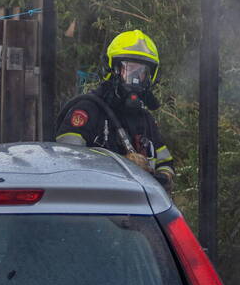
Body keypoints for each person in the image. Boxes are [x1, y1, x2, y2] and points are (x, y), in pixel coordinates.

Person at [54, 30, 175, 190]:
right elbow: (67, 160)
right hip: (96, 200)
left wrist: (164, 178)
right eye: (129, 69)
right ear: (113, 69)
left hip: (139, 201)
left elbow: (165, 163)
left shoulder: (145, 120)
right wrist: (122, 164)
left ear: (150, 77)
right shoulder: (87, 110)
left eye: (142, 72)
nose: (135, 79)